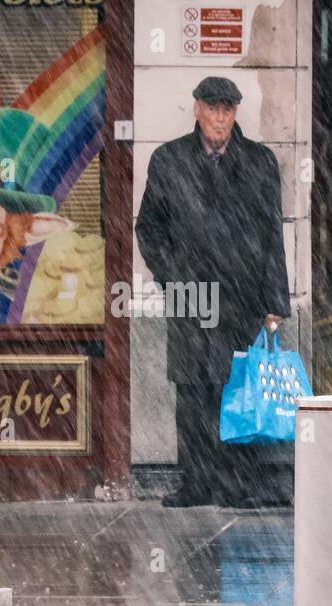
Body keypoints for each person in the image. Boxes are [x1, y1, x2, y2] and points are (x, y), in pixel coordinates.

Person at [136, 76, 293, 508]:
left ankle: (240, 486)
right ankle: (197, 483)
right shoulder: (168, 160)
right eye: (213, 108)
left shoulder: (259, 161)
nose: (220, 117)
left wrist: (275, 303)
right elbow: (148, 228)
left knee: (238, 390)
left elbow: (270, 234)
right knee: (192, 392)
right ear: (197, 110)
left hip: (242, 296)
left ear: (235, 113)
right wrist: (174, 277)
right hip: (190, 295)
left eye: (227, 109)